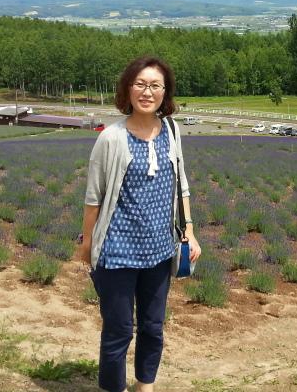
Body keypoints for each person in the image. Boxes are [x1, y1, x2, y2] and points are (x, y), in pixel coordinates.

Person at [80, 55, 201, 392]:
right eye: (140, 84)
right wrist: (88, 242)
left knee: (153, 327)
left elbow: (181, 185)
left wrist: (189, 232)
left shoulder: (172, 131)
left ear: (165, 92)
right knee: (118, 331)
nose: (147, 92)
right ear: (128, 89)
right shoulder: (111, 137)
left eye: (155, 86)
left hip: (160, 251)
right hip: (118, 251)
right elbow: (93, 198)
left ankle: (145, 386)